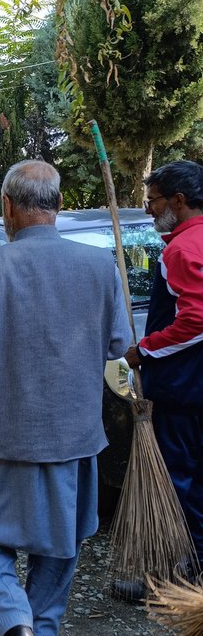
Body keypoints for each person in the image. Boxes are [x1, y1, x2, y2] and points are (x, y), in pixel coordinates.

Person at [0, 160, 132, 636]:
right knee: (62, 542)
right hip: (73, 435)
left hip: (2, 433)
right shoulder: (99, 268)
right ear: (58, 205)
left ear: (7, 206)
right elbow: (120, 345)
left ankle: (15, 628)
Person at [125, 159, 203, 572]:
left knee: (181, 480)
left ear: (179, 199)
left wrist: (146, 349)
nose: (149, 209)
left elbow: (195, 319)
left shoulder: (182, 249)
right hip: (192, 386)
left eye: (153, 201)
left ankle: (178, 571)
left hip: (183, 388)